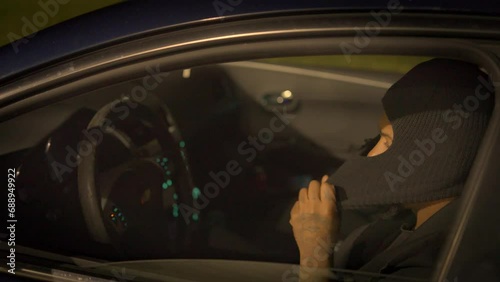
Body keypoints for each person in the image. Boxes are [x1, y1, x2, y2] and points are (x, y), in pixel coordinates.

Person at [289, 58, 494, 281]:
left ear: (435, 157)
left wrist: (314, 255)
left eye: (387, 142)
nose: (372, 153)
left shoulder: (438, 264)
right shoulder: (410, 220)